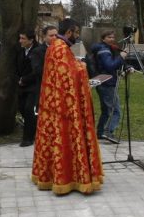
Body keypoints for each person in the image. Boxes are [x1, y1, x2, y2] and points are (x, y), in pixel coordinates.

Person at [30, 18, 103, 196]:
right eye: (76, 32)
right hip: (64, 106)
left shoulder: (54, 46)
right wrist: (82, 67)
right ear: (69, 31)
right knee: (66, 139)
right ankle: (70, 178)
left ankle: (50, 175)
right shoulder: (61, 48)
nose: (77, 36)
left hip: (53, 102)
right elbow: (67, 76)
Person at [89, 30, 127, 143]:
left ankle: (100, 133)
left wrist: (124, 66)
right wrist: (121, 57)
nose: (112, 39)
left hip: (101, 81)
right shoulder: (104, 50)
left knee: (105, 110)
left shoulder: (103, 48)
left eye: (113, 37)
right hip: (107, 83)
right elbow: (110, 66)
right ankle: (108, 132)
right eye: (109, 37)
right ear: (103, 38)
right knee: (116, 111)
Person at [16, 29, 46, 147]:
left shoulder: (37, 51)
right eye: (20, 38)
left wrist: (25, 79)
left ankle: (28, 138)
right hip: (21, 85)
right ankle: (36, 130)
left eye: (23, 38)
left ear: (31, 40)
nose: (20, 41)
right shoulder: (20, 51)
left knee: (29, 110)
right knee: (22, 108)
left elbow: (37, 71)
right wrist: (18, 79)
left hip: (34, 85)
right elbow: (16, 67)